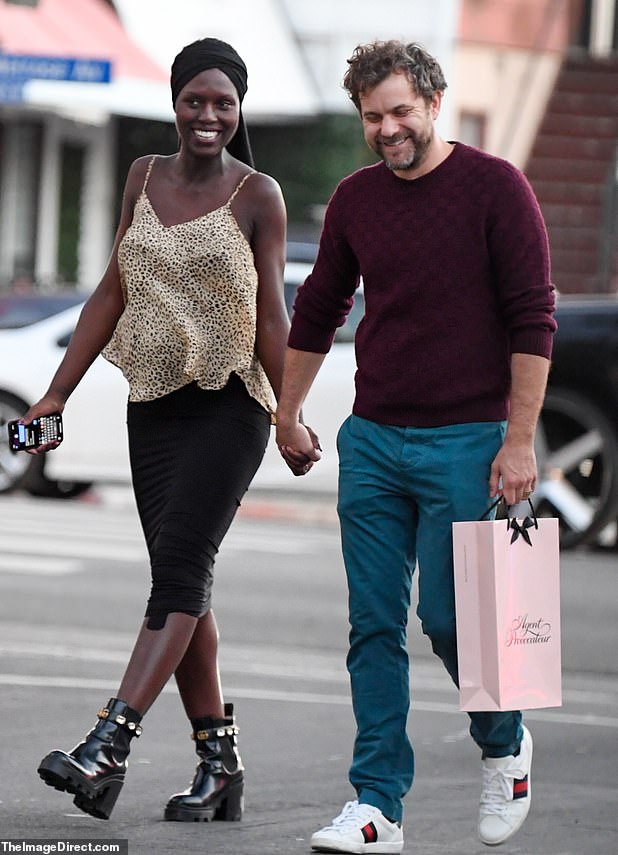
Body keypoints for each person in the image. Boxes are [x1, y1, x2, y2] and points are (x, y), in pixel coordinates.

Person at [23, 37, 313, 824]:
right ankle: (220, 766)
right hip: (153, 405)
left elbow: (272, 315)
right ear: (175, 103)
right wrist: (53, 394)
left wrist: (287, 411)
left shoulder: (260, 194)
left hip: (230, 406)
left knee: (180, 572)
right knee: (182, 585)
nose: (209, 114)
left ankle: (106, 745)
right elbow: (113, 285)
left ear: (239, 109)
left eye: (224, 102)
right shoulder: (143, 176)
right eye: (196, 99)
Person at [276, 40, 556, 853]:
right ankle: (376, 805)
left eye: (401, 110)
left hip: (469, 440)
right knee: (372, 623)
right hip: (373, 443)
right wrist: (286, 413)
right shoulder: (356, 199)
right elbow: (320, 308)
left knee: (450, 617)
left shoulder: (496, 187)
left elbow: (532, 317)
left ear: (434, 101)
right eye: (373, 116)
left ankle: (506, 744)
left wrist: (520, 441)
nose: (388, 128)